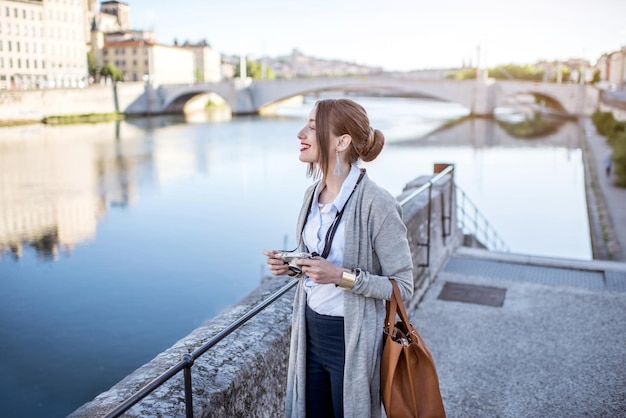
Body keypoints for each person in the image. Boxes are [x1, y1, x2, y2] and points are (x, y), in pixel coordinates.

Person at [263, 98, 414, 418]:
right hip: (309, 331)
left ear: (342, 142)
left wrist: (341, 277)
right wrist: (291, 266)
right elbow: (320, 262)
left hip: (352, 338)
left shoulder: (378, 204)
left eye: (313, 127)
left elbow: (402, 286)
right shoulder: (311, 195)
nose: (300, 133)